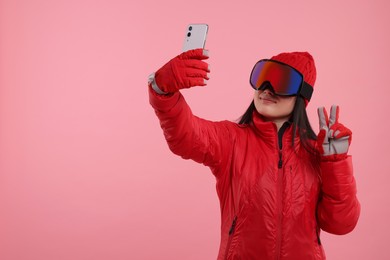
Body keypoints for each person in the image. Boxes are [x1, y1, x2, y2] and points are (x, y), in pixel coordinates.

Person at [147, 49, 360, 260]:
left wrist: (335, 163)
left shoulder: (317, 153)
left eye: (282, 82)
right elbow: (185, 135)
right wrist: (162, 91)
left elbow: (341, 224)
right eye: (262, 78)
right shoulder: (231, 140)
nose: (266, 90)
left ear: (302, 95)